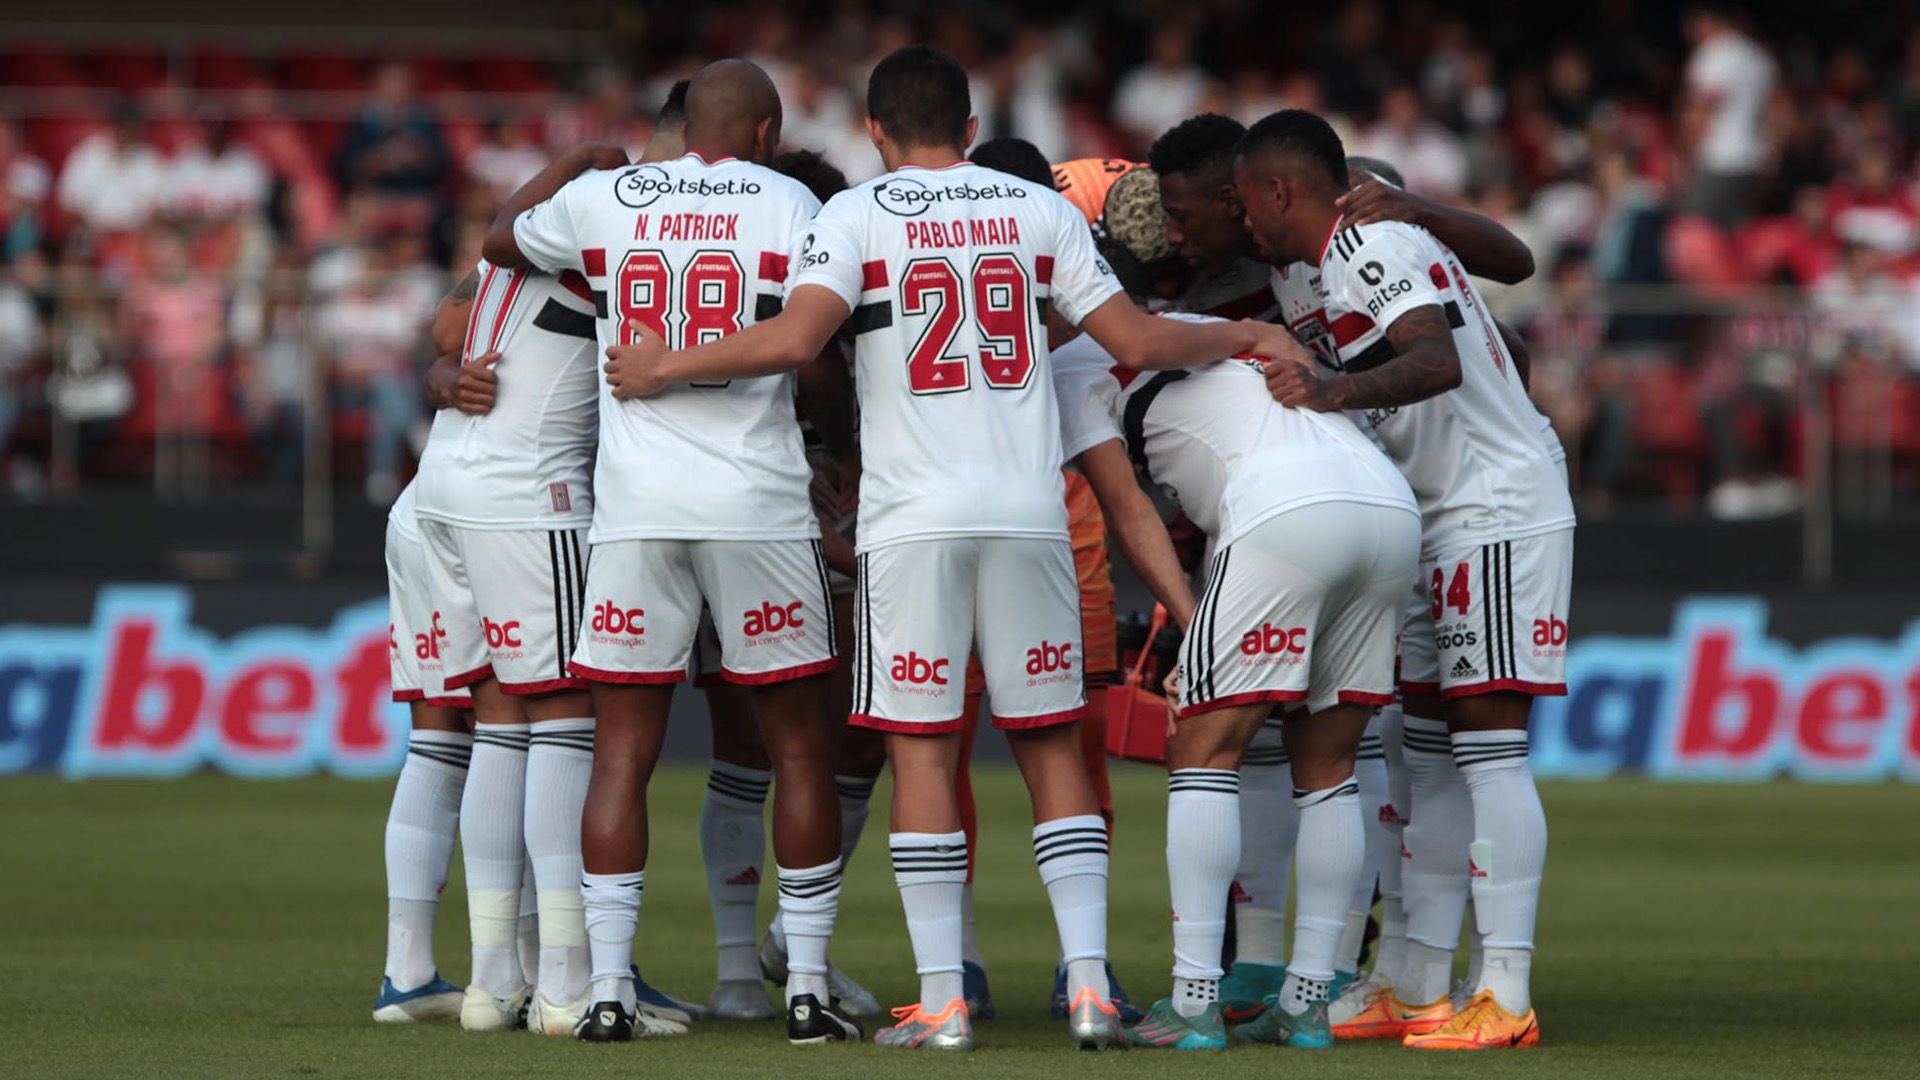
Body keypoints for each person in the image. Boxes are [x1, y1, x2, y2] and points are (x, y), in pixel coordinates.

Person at [599, 44, 1301, 1052]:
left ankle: (944, 1003)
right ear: (971, 130)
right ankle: (1095, 990)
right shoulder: (1042, 212)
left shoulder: (853, 216)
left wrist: (668, 363)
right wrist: (1251, 338)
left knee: (923, 750)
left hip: (911, 524)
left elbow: (796, 344)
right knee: (1054, 743)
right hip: (1026, 515)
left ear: (876, 134)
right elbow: (1138, 343)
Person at [482, 60, 859, 1047]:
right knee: (799, 748)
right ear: (769, 130)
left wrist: (575, 163)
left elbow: (496, 239)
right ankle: (807, 987)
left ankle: (605, 990)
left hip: (636, 511)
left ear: (686, 122)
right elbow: (813, 352)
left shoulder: (604, 198)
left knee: (622, 754)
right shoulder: (791, 201)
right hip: (759, 506)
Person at [1238, 109, 1571, 1051]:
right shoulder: (1300, 271)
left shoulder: (1368, 240)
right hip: (1431, 512)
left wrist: (1329, 390)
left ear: (1279, 191)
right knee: (1422, 744)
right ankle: (1417, 980)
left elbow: (1438, 355)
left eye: (1243, 201)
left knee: (1489, 743)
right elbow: (1501, 337)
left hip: (1491, 510)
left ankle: (1504, 990)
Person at [694, 147, 884, 1025]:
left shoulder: (723, 261)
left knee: (768, 748)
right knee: (814, 743)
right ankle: (781, 960)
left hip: (707, 513)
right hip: (769, 525)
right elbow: (815, 376)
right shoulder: (822, 309)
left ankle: (757, 958)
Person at [409, 242, 608, 1036]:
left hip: (442, 492)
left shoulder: (520, 241)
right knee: (564, 713)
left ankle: (494, 980)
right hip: (528, 494)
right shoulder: (617, 223)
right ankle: (563, 983)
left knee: (496, 717)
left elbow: (443, 328)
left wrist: (441, 374)